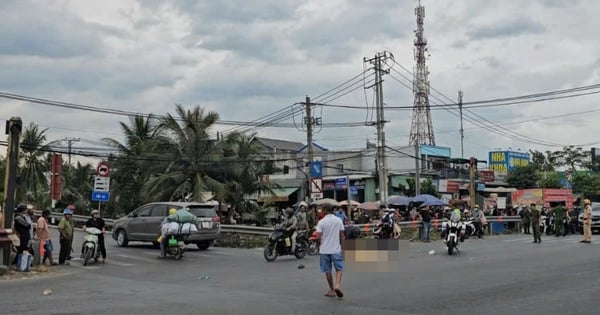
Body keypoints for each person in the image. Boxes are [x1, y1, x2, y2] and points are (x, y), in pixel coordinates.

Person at [315, 204, 345, 298]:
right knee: (339, 269)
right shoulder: (338, 220)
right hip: (336, 249)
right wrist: (343, 247)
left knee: (327, 270)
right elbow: (342, 236)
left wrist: (317, 244)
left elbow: (318, 237)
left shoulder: (321, 222)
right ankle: (337, 286)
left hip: (324, 250)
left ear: (324, 211)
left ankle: (332, 290)